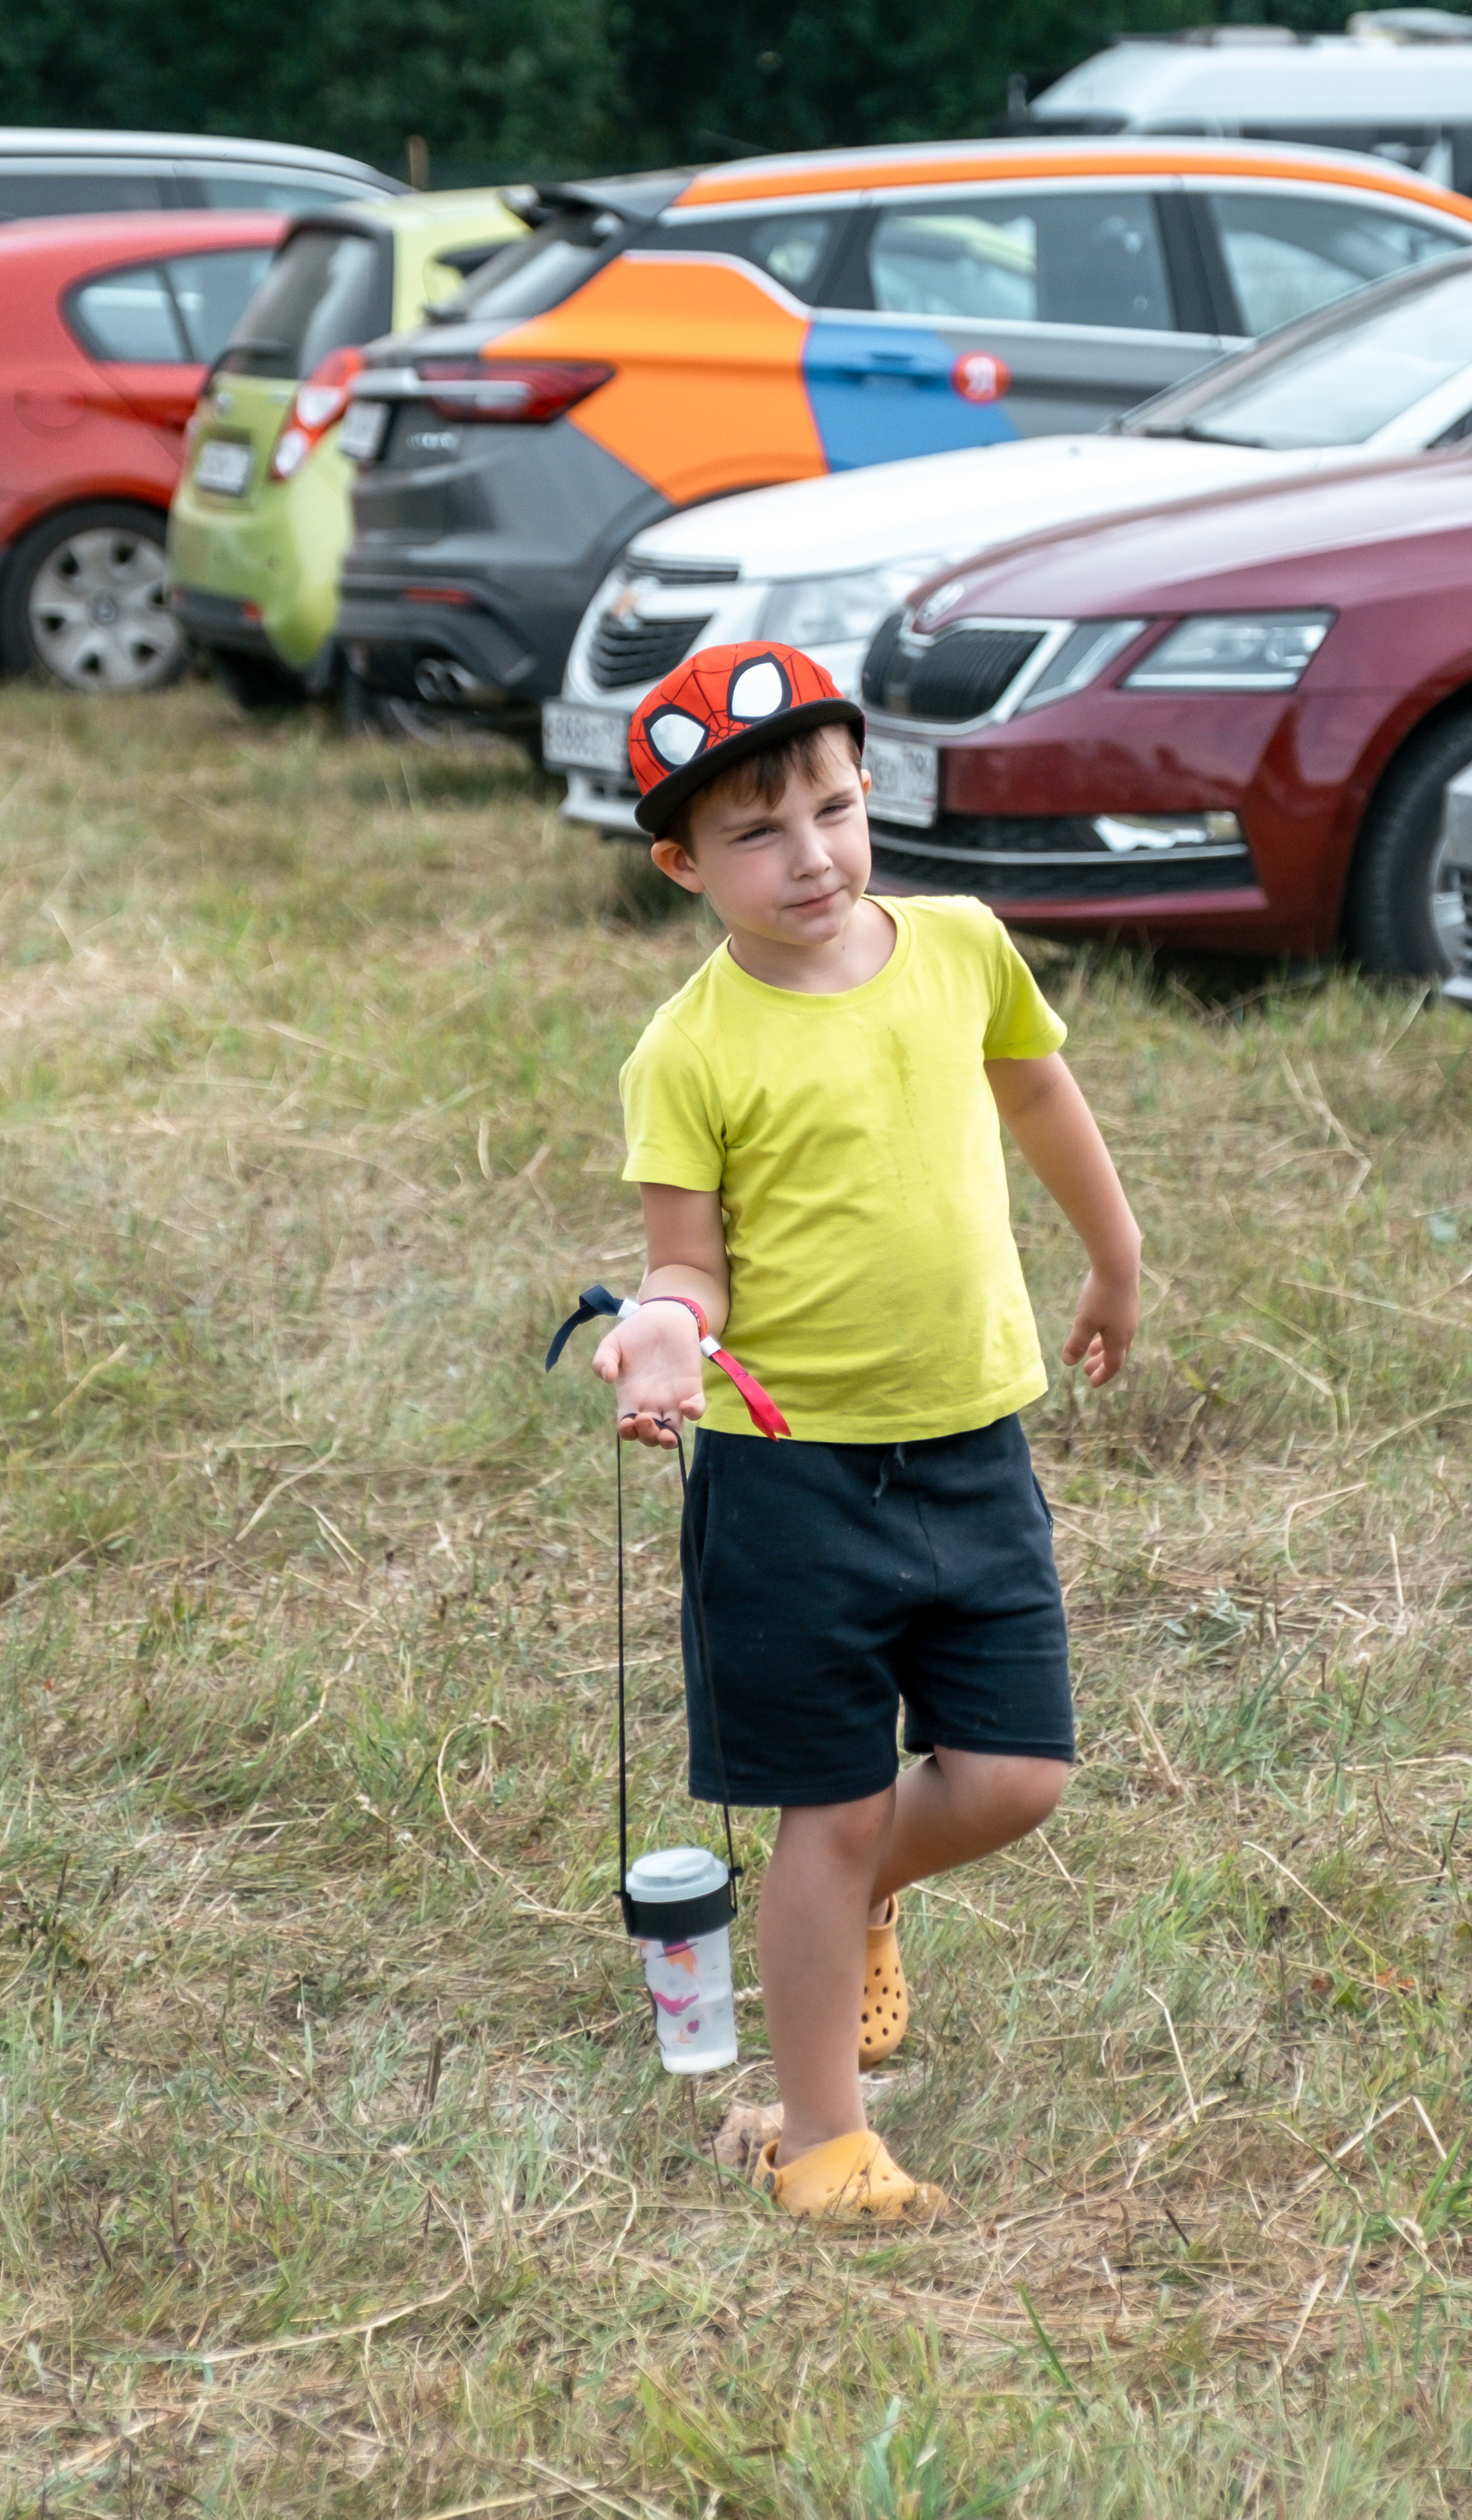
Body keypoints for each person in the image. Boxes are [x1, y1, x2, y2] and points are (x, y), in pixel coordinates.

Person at [589, 639, 1141, 2220]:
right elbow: (685, 1260)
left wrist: (1115, 1260)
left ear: (868, 790)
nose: (811, 856)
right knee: (820, 1809)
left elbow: (1039, 1098)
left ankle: (855, 1896)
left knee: (1018, 1775)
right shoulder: (688, 1050)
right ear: (685, 863)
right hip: (787, 1478)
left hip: (974, 1445)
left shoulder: (962, 947)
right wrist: (663, 1336)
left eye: (832, 808)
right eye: (758, 834)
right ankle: (821, 2135)